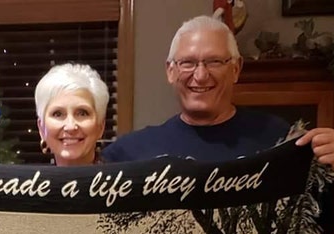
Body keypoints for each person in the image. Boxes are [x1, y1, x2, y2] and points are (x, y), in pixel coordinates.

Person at [102, 15, 334, 168]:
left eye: (214, 62)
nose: (201, 75)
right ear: (170, 71)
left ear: (235, 69)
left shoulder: (283, 141)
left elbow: (323, 220)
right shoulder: (129, 154)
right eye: (188, 63)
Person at [35, 63, 109, 166]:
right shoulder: (29, 182)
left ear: (100, 127)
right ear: (42, 128)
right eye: (58, 114)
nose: (70, 127)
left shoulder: (124, 181)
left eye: (82, 113)